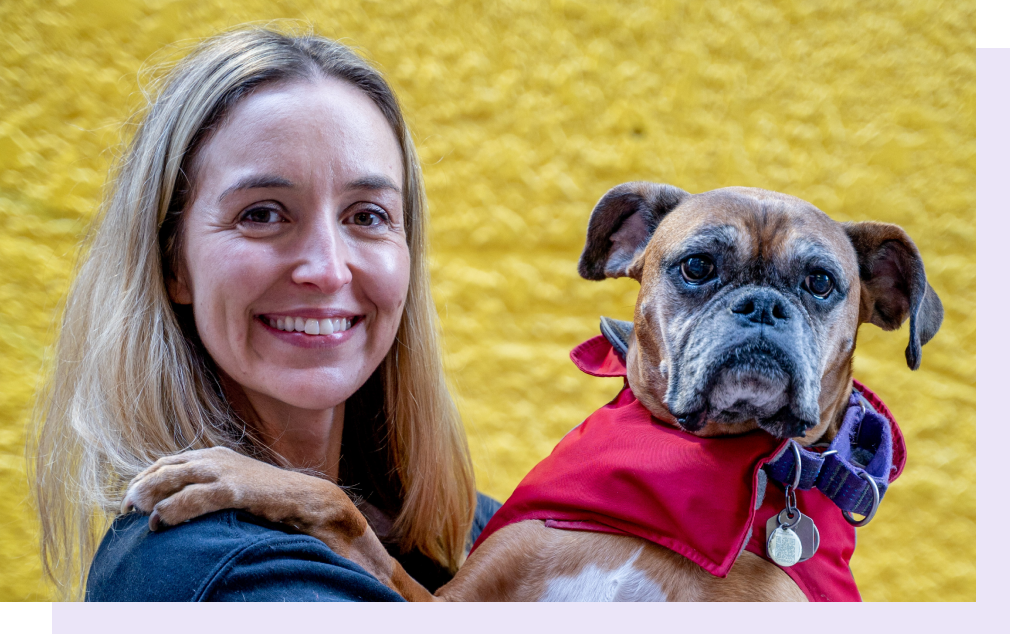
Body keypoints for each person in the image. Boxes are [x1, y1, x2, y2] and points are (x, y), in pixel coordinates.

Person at [30, 27, 499, 601]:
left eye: (367, 215)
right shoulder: (228, 573)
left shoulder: (466, 531)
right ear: (173, 262)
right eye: (262, 213)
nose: (327, 270)